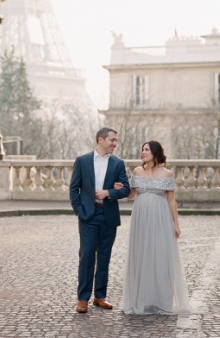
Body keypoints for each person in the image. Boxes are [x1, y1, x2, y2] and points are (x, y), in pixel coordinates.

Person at [119, 140, 193, 315]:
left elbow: (171, 200)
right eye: (142, 149)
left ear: (155, 152)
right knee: (141, 254)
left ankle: (161, 301)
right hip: (141, 217)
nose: (143, 152)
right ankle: (141, 300)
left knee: (160, 254)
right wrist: (122, 188)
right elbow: (132, 195)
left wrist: (176, 223)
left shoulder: (167, 174)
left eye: (146, 149)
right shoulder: (137, 171)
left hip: (161, 217)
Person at [69, 128, 131, 314]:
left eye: (116, 141)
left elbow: (126, 189)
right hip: (89, 215)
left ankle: (100, 297)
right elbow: (74, 189)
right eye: (112, 140)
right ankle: (82, 299)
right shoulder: (82, 161)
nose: (114, 143)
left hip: (108, 216)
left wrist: (109, 193)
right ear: (100, 140)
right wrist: (80, 211)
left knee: (104, 256)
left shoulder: (118, 163)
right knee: (87, 255)